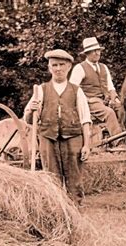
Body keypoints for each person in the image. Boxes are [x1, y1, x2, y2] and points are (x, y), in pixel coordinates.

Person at [24, 49, 92, 206]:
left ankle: (76, 212)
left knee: (74, 179)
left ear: (69, 67)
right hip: (48, 138)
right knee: (51, 178)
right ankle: (55, 211)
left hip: (73, 138)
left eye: (62, 65)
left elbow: (85, 120)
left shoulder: (77, 91)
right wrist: (31, 109)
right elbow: (29, 120)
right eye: (54, 65)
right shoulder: (41, 90)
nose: (58, 68)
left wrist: (87, 145)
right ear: (49, 67)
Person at [69, 37, 123, 139]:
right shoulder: (80, 68)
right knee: (109, 113)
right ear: (87, 53)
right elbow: (73, 89)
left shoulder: (103, 67)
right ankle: (118, 140)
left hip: (105, 100)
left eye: (98, 50)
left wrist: (114, 99)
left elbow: (110, 86)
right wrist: (82, 103)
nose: (97, 53)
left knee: (123, 109)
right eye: (94, 51)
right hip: (90, 102)